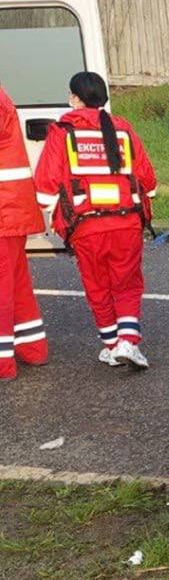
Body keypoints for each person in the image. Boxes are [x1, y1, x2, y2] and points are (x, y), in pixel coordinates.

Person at [34, 72, 157, 370]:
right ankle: (128, 343)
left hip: (85, 227)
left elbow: (45, 187)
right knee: (127, 285)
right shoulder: (123, 130)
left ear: (76, 98)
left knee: (98, 287)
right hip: (127, 222)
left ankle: (113, 346)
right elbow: (148, 181)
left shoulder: (62, 132)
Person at [0, 83, 47, 380]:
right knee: (16, 283)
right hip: (9, 208)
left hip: (4, 210)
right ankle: (33, 348)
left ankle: (3, 362)